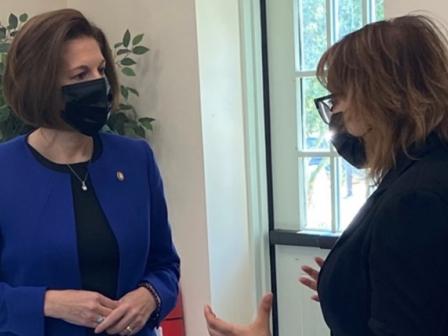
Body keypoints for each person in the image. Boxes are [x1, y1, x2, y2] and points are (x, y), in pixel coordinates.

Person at [205, 14, 448, 336]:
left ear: (378, 97)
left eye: (338, 97)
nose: (335, 112)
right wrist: (353, 285)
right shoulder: (426, 171)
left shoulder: (415, 199)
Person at [0, 9, 180, 336]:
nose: (98, 83)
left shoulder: (136, 159)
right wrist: (48, 302)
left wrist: (149, 296)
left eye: (100, 69)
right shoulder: (4, 171)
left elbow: (165, 265)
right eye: (80, 75)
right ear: (41, 86)